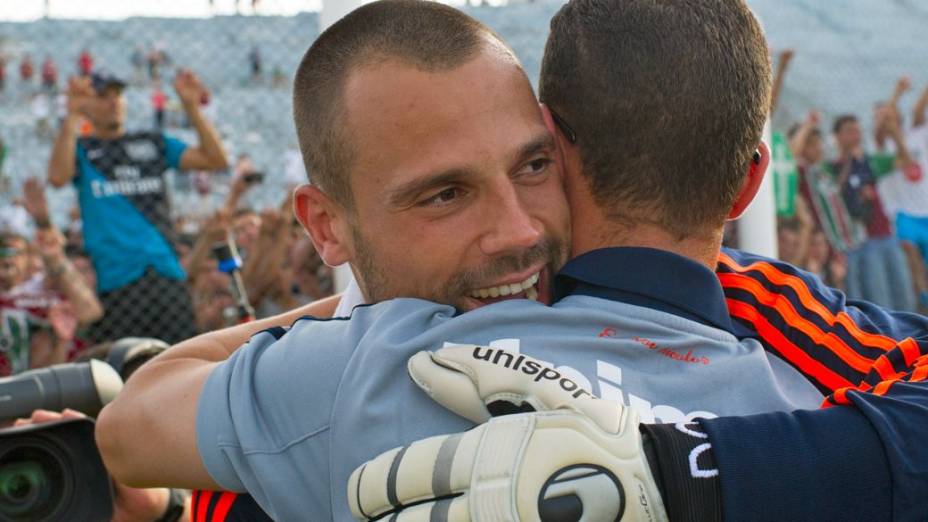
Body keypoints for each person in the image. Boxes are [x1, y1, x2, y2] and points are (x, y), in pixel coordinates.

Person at [97, 1, 928, 521]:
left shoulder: (364, 369)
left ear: (565, 146)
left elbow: (131, 426)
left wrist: (355, 315)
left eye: (532, 168)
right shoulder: (802, 381)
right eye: (445, 195)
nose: (516, 232)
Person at [47, 70, 228, 344]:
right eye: (103, 96)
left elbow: (215, 160)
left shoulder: (152, 143)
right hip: (117, 282)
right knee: (127, 371)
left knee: (180, 363)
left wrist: (191, 108)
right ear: (87, 105)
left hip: (165, 274)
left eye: (118, 95)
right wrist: (72, 117)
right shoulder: (82, 150)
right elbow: (57, 177)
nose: (113, 102)